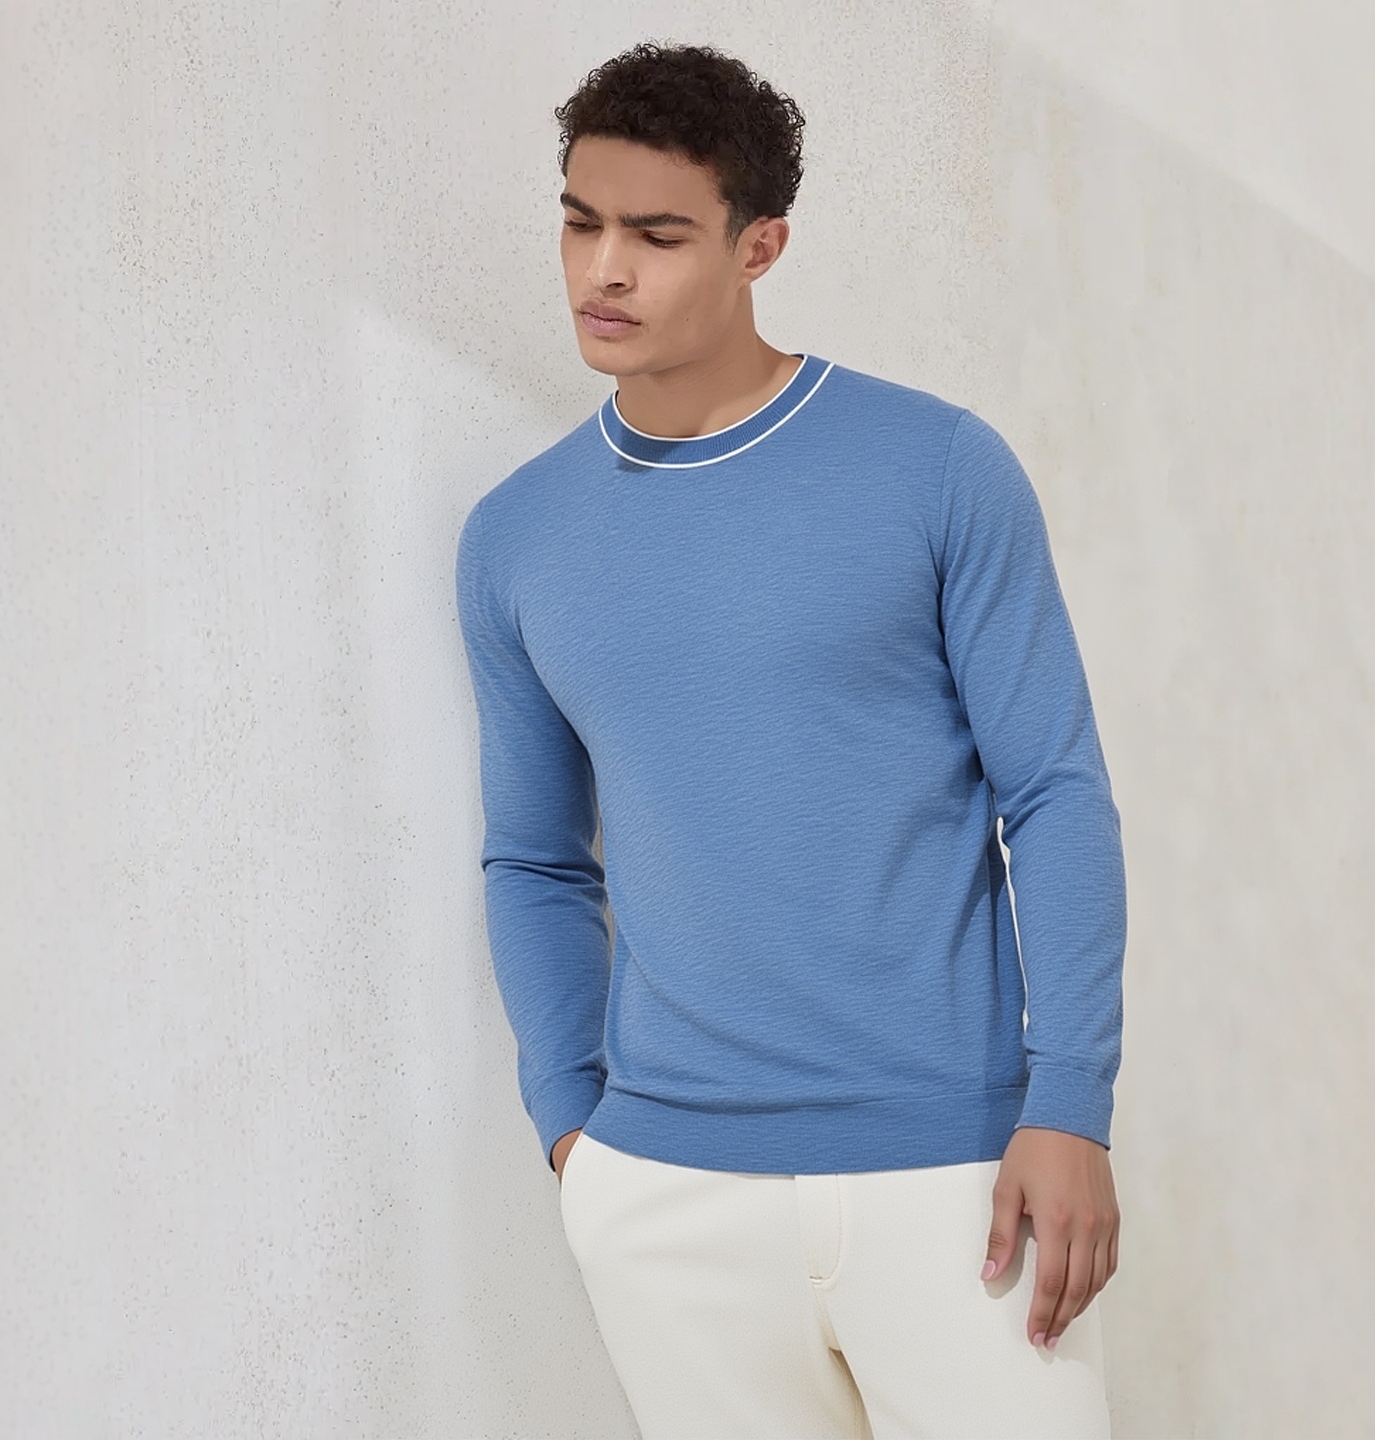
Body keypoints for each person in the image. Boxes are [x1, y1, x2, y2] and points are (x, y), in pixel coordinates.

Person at [454, 40, 1124, 1440]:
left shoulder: (937, 470)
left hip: (956, 1175)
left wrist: (1069, 1101)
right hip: (666, 1196)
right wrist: (575, 1129)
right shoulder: (517, 537)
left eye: (657, 235)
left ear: (761, 245)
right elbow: (534, 859)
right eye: (580, 223)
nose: (603, 272)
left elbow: (1054, 792)